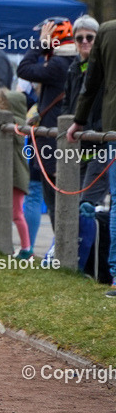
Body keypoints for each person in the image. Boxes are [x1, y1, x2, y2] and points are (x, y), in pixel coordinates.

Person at [68, 19, 116, 295]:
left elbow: (92, 83)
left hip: (107, 131)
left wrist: (78, 120)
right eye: (79, 38)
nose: (84, 42)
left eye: (89, 37)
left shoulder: (108, 32)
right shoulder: (74, 67)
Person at [17, 18, 78, 236]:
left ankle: (62, 252)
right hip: (61, 139)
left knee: (54, 200)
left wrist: (39, 45)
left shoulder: (58, 64)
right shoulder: (75, 60)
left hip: (52, 142)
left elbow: (23, 69)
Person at [0, 89, 33, 258]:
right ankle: (7, 244)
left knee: (17, 213)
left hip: (16, 176)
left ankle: (27, 249)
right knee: (4, 210)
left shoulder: (16, 121)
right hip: (8, 175)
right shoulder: (15, 120)